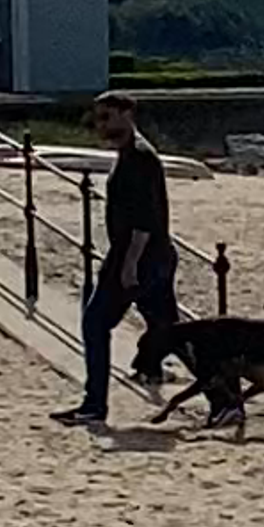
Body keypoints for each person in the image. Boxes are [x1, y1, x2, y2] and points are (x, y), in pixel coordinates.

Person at [64, 93, 181, 430]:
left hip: (139, 258)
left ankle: (94, 404)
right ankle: (224, 399)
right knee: (169, 331)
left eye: (108, 117)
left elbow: (144, 219)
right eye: (99, 118)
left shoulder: (140, 158)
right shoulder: (129, 155)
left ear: (128, 115)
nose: (102, 125)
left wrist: (129, 264)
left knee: (96, 323)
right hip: (147, 256)